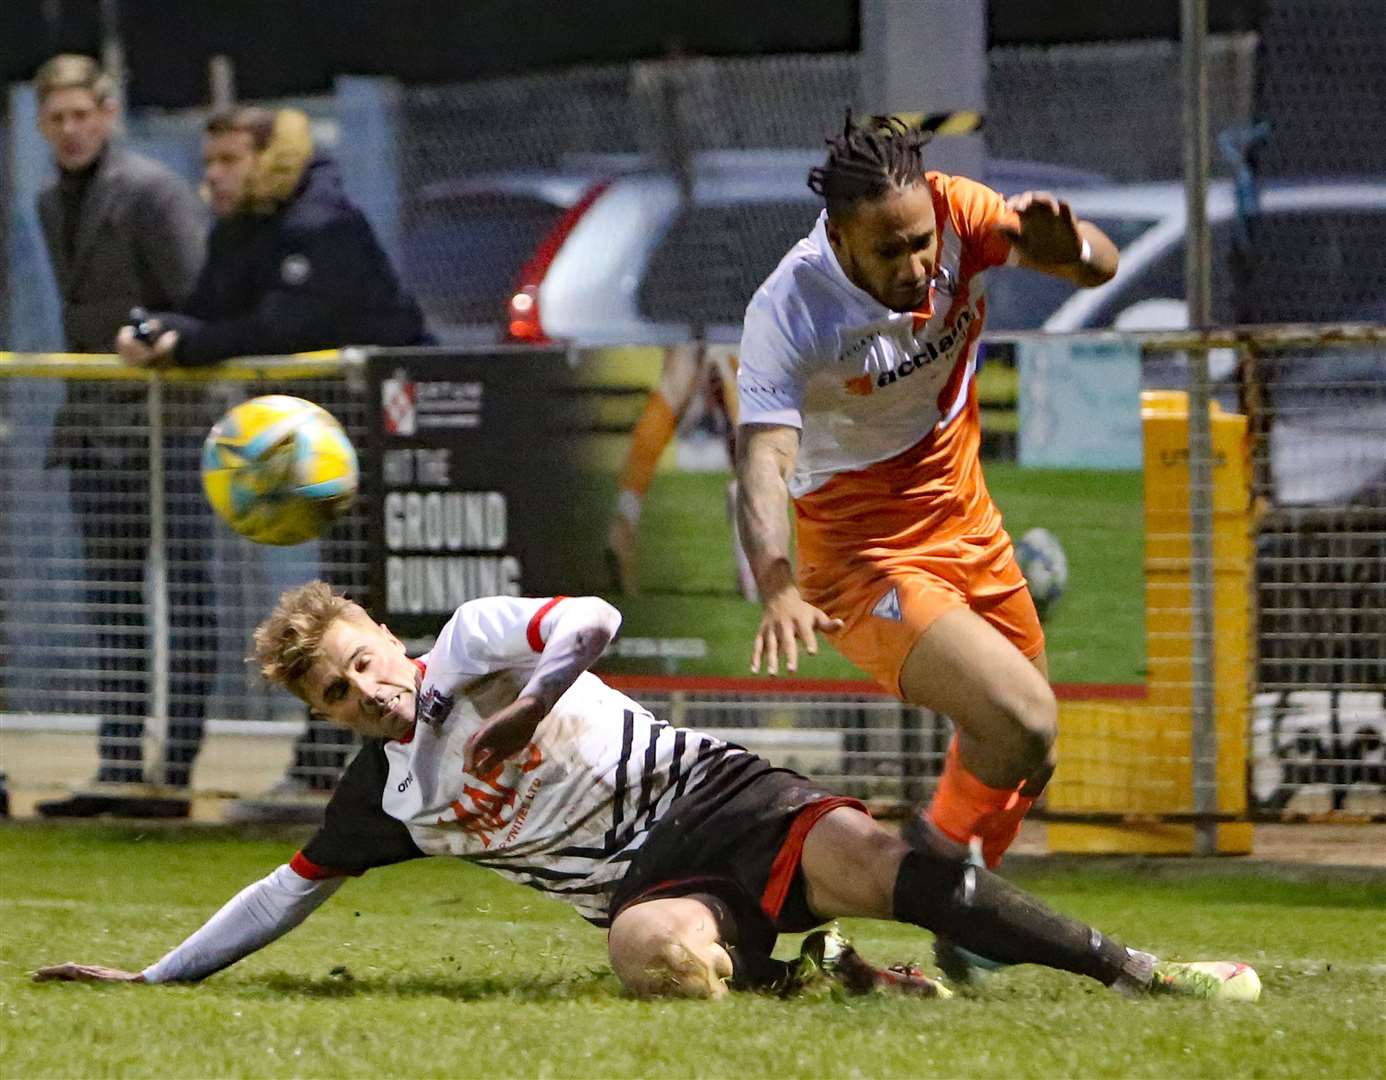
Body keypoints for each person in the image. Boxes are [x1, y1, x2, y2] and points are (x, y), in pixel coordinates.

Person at [33, 583, 1260, 1006]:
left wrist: (529, 695)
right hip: (652, 884)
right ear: (326, 718)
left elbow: (598, 619)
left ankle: (1147, 975)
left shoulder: (475, 642)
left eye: (362, 662)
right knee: (654, 958)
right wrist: (153, 979)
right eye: (335, 695)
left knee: (893, 872)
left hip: (723, 798)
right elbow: (278, 897)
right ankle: (821, 976)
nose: (364, 693)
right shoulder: (394, 796)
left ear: (389, 640)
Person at [732, 114, 1121, 976]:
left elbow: (1100, 264)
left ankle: (963, 911)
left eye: (922, 245)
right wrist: (776, 581)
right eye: (889, 253)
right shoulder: (789, 307)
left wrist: (1076, 251)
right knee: (1021, 713)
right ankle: (939, 861)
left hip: (967, 521)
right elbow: (763, 457)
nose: (917, 267)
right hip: (861, 557)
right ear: (839, 236)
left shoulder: (959, 213)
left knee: (1029, 752)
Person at [116, 105, 432, 823]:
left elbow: (290, 328)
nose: (213, 178)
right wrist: (159, 329)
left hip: (389, 436)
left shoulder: (326, 223)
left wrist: (191, 340)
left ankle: (384, 770)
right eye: (209, 164)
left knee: (374, 606)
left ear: (272, 157)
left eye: (228, 162)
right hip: (314, 452)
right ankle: (332, 771)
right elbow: (207, 311)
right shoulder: (239, 231)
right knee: (341, 607)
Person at [33, 54, 212, 819]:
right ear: (42, 124)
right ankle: (116, 763)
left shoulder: (151, 190)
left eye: (82, 115)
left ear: (108, 114)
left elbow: (196, 299)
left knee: (189, 595)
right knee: (110, 601)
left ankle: (172, 770)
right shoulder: (49, 202)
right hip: (95, 425)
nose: (71, 130)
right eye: (57, 118)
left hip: (169, 423)